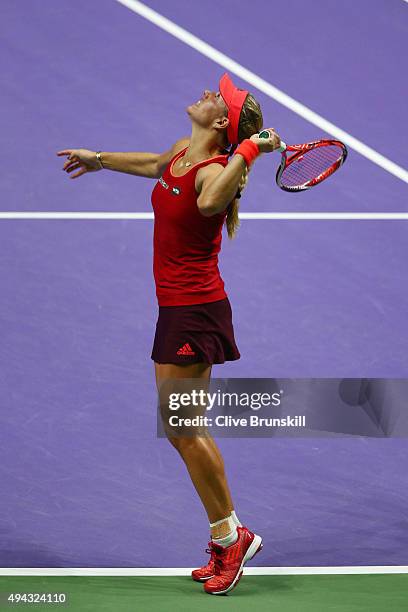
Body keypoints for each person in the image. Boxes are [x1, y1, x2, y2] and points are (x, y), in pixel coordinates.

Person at [57, 73, 281, 595]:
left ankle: (232, 535)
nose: (206, 94)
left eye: (215, 99)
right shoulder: (185, 152)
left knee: (182, 426)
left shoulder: (215, 173)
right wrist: (100, 158)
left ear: (222, 122)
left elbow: (208, 204)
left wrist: (249, 149)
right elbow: (155, 166)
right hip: (176, 310)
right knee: (182, 426)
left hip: (195, 312)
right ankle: (227, 534)